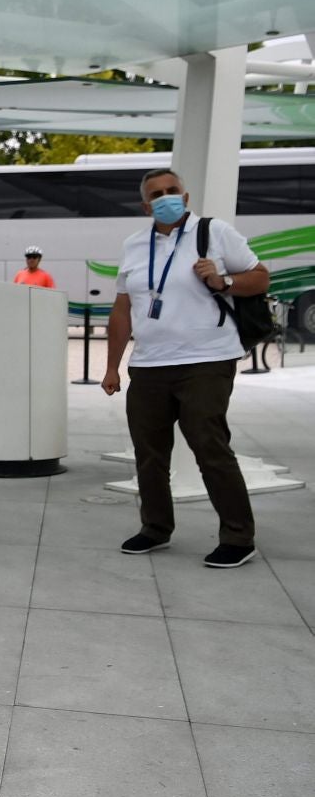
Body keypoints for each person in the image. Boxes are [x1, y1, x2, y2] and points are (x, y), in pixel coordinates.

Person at [102, 168, 267, 569]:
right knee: (148, 453)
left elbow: (261, 278)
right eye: (156, 194)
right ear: (145, 205)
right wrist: (113, 367)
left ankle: (238, 536)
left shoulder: (215, 233)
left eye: (172, 190)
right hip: (150, 364)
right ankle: (155, 528)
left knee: (209, 446)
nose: (165, 198)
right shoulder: (135, 244)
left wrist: (223, 280)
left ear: (186, 196)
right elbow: (123, 308)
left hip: (207, 359)